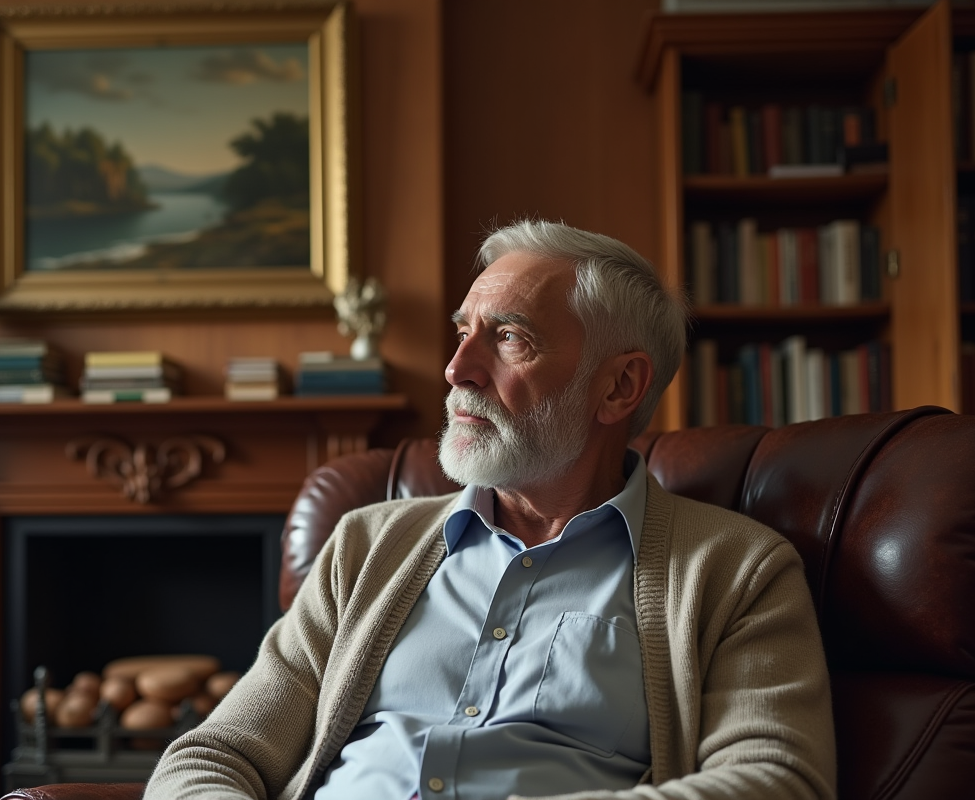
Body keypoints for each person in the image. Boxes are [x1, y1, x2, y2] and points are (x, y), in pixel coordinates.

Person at [145, 220, 837, 800]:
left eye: (508, 338)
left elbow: (776, 781)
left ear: (619, 386)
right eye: (462, 332)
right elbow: (209, 759)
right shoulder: (365, 546)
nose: (457, 369)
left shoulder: (736, 571)